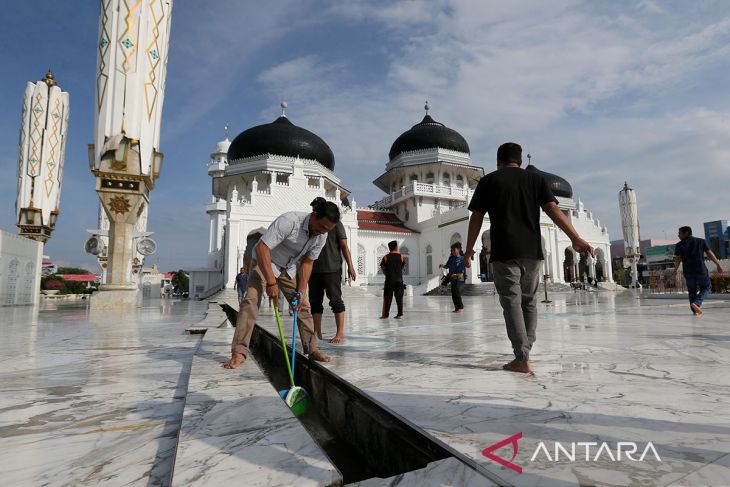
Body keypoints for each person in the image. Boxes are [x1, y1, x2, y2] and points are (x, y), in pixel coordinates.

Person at [465, 142, 594, 374]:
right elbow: (554, 209)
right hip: (532, 252)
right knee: (529, 301)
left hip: (504, 252)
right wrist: (576, 238)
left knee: (511, 302)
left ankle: (522, 356)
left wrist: (468, 250)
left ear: (498, 162)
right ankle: (526, 349)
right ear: (520, 161)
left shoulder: (489, 181)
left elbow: (476, 218)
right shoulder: (536, 180)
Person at [223, 202, 341, 369]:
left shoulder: (322, 235)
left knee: (304, 306)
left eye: (327, 230)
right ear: (314, 215)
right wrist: (271, 282)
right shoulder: (290, 221)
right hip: (264, 261)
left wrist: (300, 292)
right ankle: (239, 352)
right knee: (251, 301)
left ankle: (312, 349)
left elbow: (307, 263)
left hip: (287, 268)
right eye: (321, 226)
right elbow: (262, 248)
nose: (322, 231)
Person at [308, 197, 357, 344]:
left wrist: (351, 266)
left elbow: (344, 247)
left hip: (332, 269)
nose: (314, 211)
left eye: (316, 208)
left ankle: (339, 333)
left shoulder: (336, 224)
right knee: (315, 302)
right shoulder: (312, 222)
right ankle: (317, 333)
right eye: (314, 209)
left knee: (335, 301)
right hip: (314, 269)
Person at [672, 226, 723, 316]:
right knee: (707, 286)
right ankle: (697, 303)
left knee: (692, 291)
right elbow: (709, 253)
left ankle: (695, 311)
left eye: (679, 233)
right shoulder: (701, 241)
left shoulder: (679, 245)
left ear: (686, 233)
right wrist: (718, 264)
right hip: (700, 269)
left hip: (688, 271)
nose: (678, 235)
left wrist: (675, 270)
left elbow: (678, 259)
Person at [380, 240, 405, 319]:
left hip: (389, 280)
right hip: (399, 280)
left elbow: (382, 267)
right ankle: (400, 314)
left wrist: (386, 273)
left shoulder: (386, 257)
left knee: (387, 298)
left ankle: (385, 315)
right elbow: (403, 267)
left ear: (389, 248)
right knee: (399, 298)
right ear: (396, 248)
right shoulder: (401, 257)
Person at [439, 242, 466, 312]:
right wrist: (442, 265)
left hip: (459, 277)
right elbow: (447, 266)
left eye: (454, 250)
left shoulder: (462, 258)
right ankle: (456, 307)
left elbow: (468, 264)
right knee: (453, 292)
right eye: (451, 250)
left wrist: (469, 255)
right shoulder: (451, 258)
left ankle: (461, 307)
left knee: (456, 291)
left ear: (458, 250)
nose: (452, 251)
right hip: (452, 277)